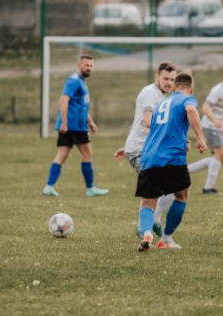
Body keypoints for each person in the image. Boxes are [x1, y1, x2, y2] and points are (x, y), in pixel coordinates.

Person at [136, 73, 206, 251]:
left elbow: (159, 129)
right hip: (172, 158)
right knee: (182, 196)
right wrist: (200, 139)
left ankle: (147, 233)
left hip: (150, 156)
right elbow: (191, 111)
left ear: (174, 87)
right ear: (191, 90)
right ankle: (166, 238)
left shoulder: (161, 103)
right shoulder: (186, 100)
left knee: (148, 202)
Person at [113, 62, 178, 237]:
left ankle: (150, 223)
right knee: (155, 188)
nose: (169, 83)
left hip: (145, 149)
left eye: (172, 80)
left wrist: (126, 147)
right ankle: (146, 226)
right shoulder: (150, 93)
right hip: (140, 151)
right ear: (157, 77)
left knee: (168, 189)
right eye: (165, 78)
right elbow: (148, 121)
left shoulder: (163, 98)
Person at [43, 54, 108, 197]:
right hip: (74, 126)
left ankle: (49, 186)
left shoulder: (81, 82)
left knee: (63, 154)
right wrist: (65, 123)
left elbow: (81, 105)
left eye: (91, 66)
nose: (89, 68)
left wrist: (90, 122)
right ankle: (90, 188)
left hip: (73, 124)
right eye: (86, 65)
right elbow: (63, 101)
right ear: (79, 65)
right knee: (87, 154)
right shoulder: (74, 81)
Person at [188, 65, 223, 194]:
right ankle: (208, 188)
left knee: (220, 158)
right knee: (221, 155)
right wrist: (215, 120)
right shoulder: (217, 90)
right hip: (209, 125)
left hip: (219, 127)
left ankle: (185, 171)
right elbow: (205, 108)